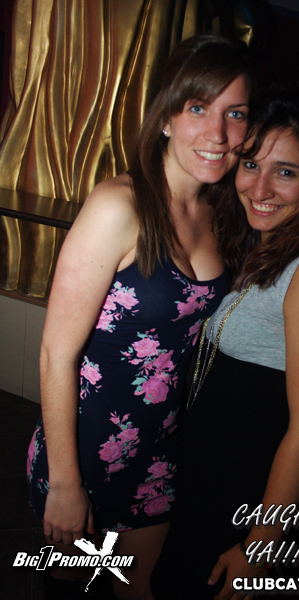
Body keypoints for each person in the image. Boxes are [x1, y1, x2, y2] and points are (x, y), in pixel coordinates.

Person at [26, 34, 253, 600]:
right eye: (198, 107)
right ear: (167, 117)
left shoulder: (221, 213)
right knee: (73, 588)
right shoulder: (118, 206)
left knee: (140, 589)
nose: (217, 133)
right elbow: (57, 353)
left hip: (160, 446)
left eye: (235, 114)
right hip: (84, 447)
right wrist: (66, 482)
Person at [151, 90, 299, 600]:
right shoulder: (253, 248)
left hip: (244, 502)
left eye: (286, 172)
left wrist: (262, 541)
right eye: (250, 165)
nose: (260, 188)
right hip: (201, 483)